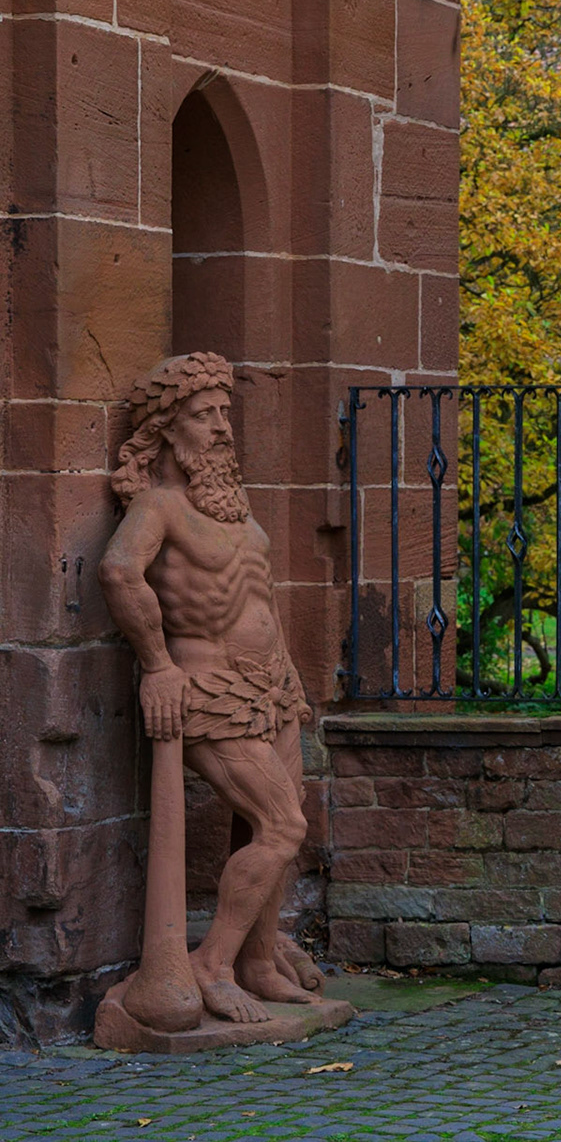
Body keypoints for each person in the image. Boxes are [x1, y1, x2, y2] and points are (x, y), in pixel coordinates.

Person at [100, 353, 322, 1023]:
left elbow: (261, 599)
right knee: (282, 825)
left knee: (279, 824)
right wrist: (158, 666)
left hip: (272, 691)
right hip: (210, 690)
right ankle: (212, 964)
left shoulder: (237, 510)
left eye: (225, 411)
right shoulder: (159, 505)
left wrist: (290, 677)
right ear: (168, 431)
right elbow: (119, 572)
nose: (223, 427)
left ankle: (258, 962)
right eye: (205, 414)